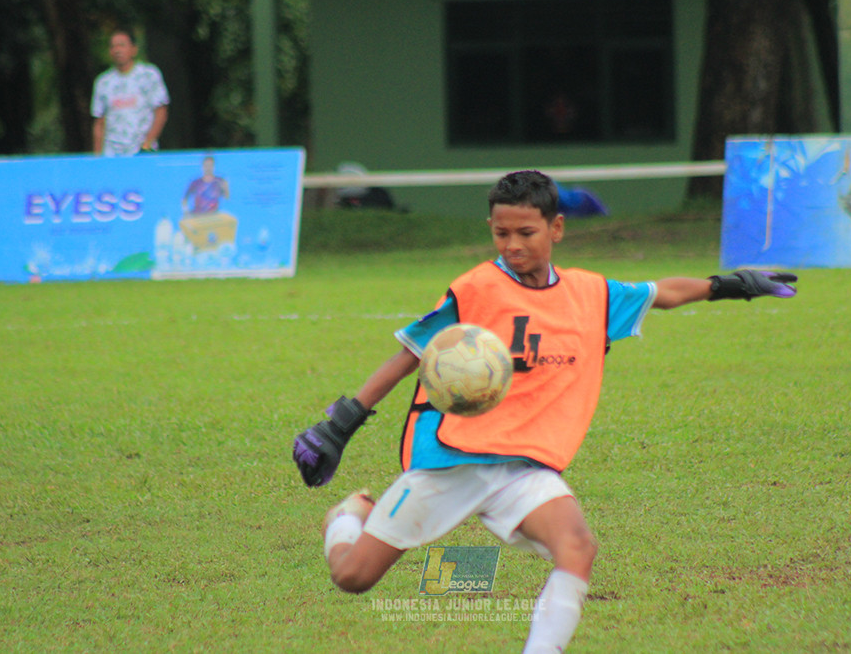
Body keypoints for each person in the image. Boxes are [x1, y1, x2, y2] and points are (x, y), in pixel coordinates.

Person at [293, 170, 798, 653]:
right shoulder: (475, 289)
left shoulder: (590, 295)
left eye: (526, 232)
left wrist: (732, 284)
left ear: (557, 228)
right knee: (353, 577)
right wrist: (339, 426)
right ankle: (346, 517)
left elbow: (662, 293)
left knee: (578, 547)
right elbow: (408, 356)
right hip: (452, 458)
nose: (513, 245)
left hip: (525, 468)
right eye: (501, 233)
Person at [91, 28, 170, 156]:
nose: (117, 50)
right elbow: (99, 122)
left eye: (122, 45)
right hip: (112, 155)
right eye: (113, 46)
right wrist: (97, 156)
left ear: (134, 49)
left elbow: (161, 112)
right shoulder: (103, 82)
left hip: (142, 153)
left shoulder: (149, 75)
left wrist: (147, 144)